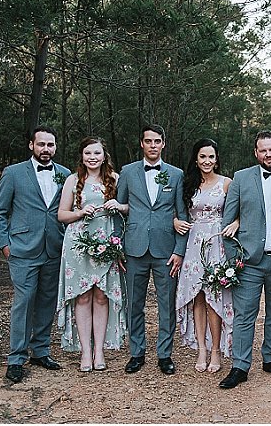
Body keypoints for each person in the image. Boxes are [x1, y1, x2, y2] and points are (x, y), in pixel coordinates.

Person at [217, 131, 271, 389]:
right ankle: (240, 366)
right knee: (245, 314)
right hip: (249, 262)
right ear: (256, 153)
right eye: (263, 150)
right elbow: (227, 222)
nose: (268, 154)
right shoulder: (241, 178)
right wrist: (235, 260)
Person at [0, 125, 71, 383]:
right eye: (41, 144)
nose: (46, 149)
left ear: (55, 147)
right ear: (31, 146)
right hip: (22, 249)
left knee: (47, 301)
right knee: (24, 302)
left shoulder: (65, 175)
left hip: (54, 248)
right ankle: (16, 358)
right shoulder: (13, 173)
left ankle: (41, 351)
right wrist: (5, 245)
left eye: (50, 145)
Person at [115, 124, 189, 375]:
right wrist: (117, 246)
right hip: (134, 249)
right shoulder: (128, 172)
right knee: (134, 304)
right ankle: (137, 353)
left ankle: (164, 354)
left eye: (157, 141)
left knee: (166, 304)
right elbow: (119, 210)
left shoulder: (176, 174)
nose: (153, 145)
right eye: (148, 141)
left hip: (165, 250)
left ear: (163, 144)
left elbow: (182, 214)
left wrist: (179, 251)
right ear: (142, 143)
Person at [56, 137, 128, 371]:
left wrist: (118, 206)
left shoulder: (115, 179)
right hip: (79, 244)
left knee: (101, 297)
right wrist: (79, 212)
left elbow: (130, 208)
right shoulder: (73, 180)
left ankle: (100, 352)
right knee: (83, 297)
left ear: (104, 156)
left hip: (106, 241)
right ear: (82, 156)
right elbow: (61, 215)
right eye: (88, 153)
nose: (92, 157)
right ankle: (85, 352)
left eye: (97, 153)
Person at [173, 138, 238, 374]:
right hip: (193, 244)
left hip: (217, 243)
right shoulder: (187, 184)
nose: (207, 161)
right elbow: (174, 209)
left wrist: (236, 222)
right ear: (196, 159)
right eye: (202, 156)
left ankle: (216, 351)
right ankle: (201, 348)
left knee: (214, 297)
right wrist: (175, 220)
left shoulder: (227, 183)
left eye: (211, 157)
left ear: (217, 159)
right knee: (197, 297)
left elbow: (242, 208)